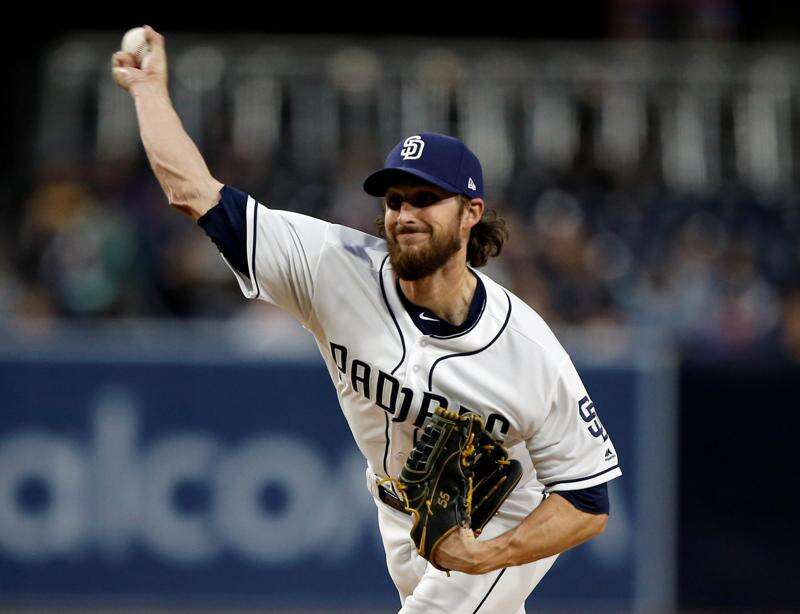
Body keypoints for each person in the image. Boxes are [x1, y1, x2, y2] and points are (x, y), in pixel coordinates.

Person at [112, 26, 622, 614]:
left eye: (425, 199)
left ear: (470, 214)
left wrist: (488, 555)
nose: (405, 213)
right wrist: (147, 91)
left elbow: (587, 503)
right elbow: (194, 193)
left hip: (499, 514)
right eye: (395, 200)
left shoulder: (528, 349)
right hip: (397, 511)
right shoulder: (334, 268)